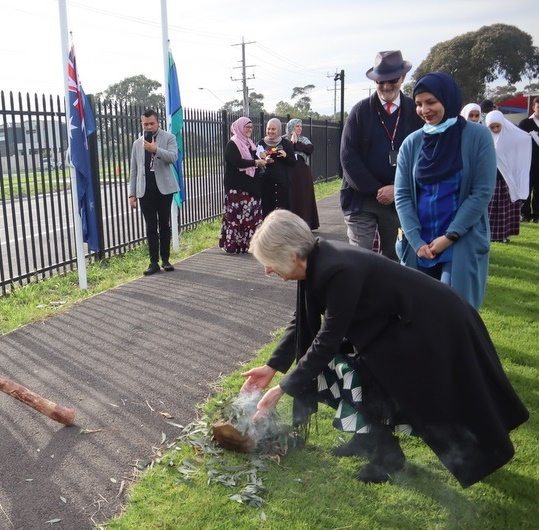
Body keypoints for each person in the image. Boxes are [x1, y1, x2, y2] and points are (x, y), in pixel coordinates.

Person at [241, 210, 528, 488]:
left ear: (291, 255)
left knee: (442, 396)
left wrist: (283, 388)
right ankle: (371, 441)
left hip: (433, 324)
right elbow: (302, 322)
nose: (267, 270)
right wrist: (272, 367)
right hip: (402, 322)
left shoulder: (335, 268)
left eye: (268, 262)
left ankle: (391, 457)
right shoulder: (316, 261)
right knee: (354, 366)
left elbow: (327, 338)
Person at [394, 72, 496, 309]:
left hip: (460, 239)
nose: (424, 110)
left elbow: (481, 192)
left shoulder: (477, 136)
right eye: (418, 104)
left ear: (448, 99)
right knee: (416, 313)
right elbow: (403, 195)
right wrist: (417, 241)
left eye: (431, 102)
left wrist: (450, 237)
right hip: (419, 243)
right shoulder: (412, 143)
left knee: (454, 310)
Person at [340, 50, 422, 260]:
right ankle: (362, 293)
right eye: (380, 81)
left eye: (392, 80)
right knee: (360, 258)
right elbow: (348, 156)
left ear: (402, 78)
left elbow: (424, 158)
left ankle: (389, 294)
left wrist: (398, 189)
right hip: (361, 198)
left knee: (395, 259)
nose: (386, 86)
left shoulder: (415, 112)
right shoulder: (360, 111)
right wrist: (377, 190)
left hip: (399, 200)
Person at [128, 109, 181, 275]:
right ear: (141, 124)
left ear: (158, 122)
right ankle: (153, 262)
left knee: (164, 224)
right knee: (151, 226)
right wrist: (132, 193)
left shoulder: (169, 138)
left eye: (152, 123)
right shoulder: (137, 143)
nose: (149, 127)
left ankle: (165, 259)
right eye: (146, 124)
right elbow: (134, 170)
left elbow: (173, 157)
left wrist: (155, 149)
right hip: (145, 190)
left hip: (164, 189)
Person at [219, 116, 270, 253]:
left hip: (251, 187)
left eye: (251, 127)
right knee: (236, 218)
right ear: (240, 128)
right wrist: (255, 163)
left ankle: (250, 245)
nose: (249, 130)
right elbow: (237, 162)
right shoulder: (233, 143)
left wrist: (264, 160)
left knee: (251, 218)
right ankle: (234, 245)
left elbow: (255, 159)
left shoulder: (250, 144)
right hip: (237, 188)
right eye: (246, 127)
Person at [485, 111, 531, 243]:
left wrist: (527, 137)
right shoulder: (485, 137)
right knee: (490, 209)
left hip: (506, 180)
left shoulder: (511, 136)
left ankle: (505, 234)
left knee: (505, 209)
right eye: (492, 127)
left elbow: (520, 143)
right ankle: (491, 234)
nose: (495, 129)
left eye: (497, 126)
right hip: (490, 179)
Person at [286, 118, 320, 229]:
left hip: (303, 174)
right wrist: (291, 142)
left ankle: (306, 223)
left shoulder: (304, 139)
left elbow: (310, 149)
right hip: (289, 172)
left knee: (303, 197)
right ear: (291, 127)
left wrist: (297, 143)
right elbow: (282, 150)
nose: (299, 128)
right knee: (291, 196)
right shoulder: (283, 139)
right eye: (297, 126)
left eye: (301, 126)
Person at [258, 118, 296, 216]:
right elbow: (256, 162)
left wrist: (285, 156)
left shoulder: (286, 144)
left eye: (273, 129)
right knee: (267, 211)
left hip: (282, 184)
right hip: (266, 184)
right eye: (268, 129)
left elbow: (293, 163)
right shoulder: (261, 143)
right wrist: (264, 160)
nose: (270, 131)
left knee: (283, 212)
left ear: (278, 129)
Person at [517, 96, 539, 223]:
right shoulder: (525, 123)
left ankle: (536, 214)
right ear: (533, 107)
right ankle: (524, 213)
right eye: (538, 107)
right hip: (527, 161)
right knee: (526, 187)